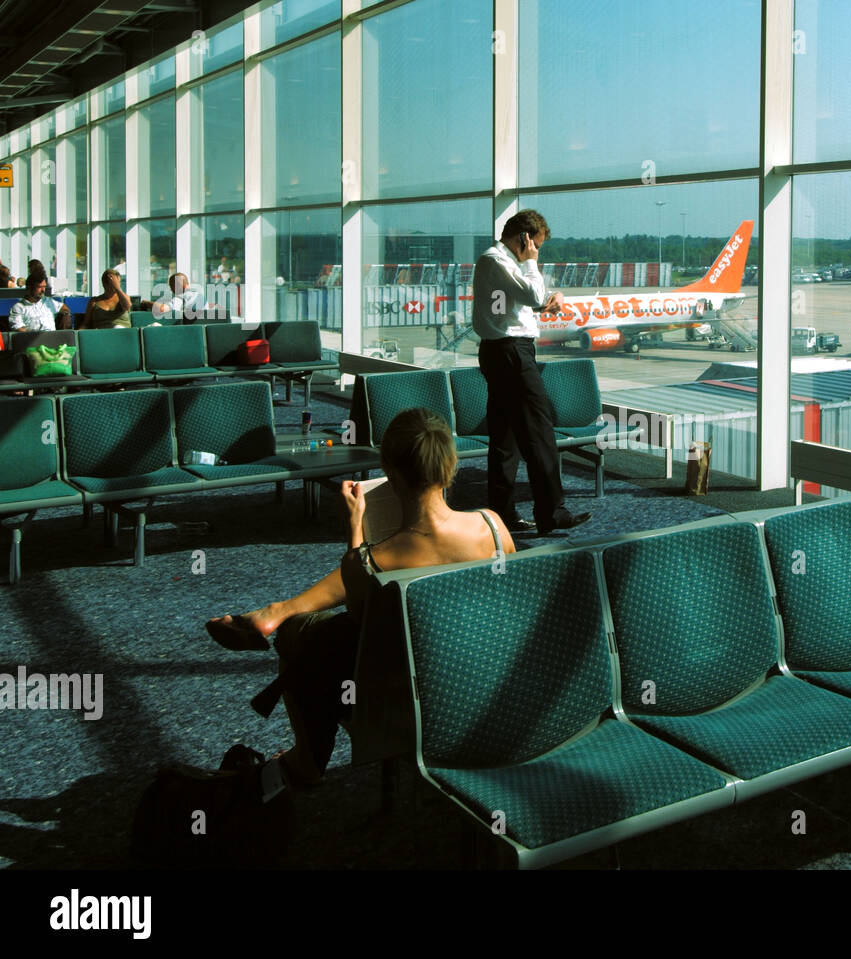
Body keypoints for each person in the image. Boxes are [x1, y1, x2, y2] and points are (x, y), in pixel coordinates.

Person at [205, 408, 514, 785]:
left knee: (317, 638)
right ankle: (277, 613)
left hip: (407, 700)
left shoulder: (369, 561)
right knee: (331, 622)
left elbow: (362, 629)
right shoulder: (492, 526)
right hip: (486, 681)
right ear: (449, 464)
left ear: (393, 473)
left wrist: (355, 527)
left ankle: (306, 757)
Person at [472, 209, 592, 535]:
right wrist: (532, 265)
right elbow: (532, 292)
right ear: (524, 239)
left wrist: (543, 306)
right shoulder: (495, 261)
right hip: (510, 354)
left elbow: (520, 302)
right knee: (539, 430)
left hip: (504, 351)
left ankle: (501, 515)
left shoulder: (500, 263)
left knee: (505, 439)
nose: (538, 251)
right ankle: (552, 512)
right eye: (536, 245)